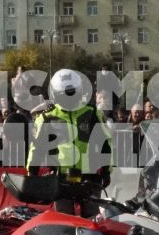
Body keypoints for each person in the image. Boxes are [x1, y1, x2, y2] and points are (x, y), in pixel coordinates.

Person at [26, 68, 106, 208]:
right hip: (60, 178)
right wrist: (32, 173)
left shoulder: (92, 113)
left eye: (73, 93)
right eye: (66, 94)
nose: (70, 98)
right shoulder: (46, 117)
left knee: (92, 219)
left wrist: (106, 171)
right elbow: (37, 148)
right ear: (56, 95)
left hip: (89, 176)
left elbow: (105, 144)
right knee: (64, 220)